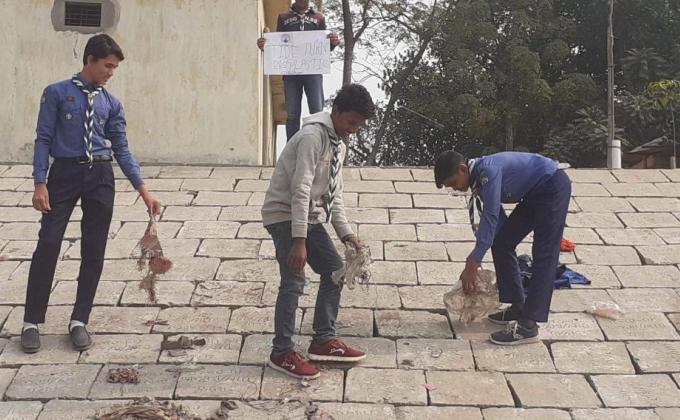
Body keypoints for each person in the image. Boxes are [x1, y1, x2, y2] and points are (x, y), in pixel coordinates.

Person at [22, 34, 161, 353]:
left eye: (114, 68)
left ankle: (79, 320)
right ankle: (31, 322)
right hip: (64, 174)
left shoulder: (111, 103)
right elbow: (43, 138)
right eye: (107, 66)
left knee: (94, 249)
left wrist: (144, 191)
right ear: (90, 60)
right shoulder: (56, 93)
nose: (111, 73)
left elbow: (121, 149)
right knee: (48, 243)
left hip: (100, 175)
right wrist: (40, 182)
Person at [261, 84, 375, 378]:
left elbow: (334, 196)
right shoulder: (312, 137)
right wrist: (298, 240)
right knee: (293, 280)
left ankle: (323, 340)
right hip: (284, 215)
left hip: (308, 217)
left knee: (335, 271)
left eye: (359, 126)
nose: (353, 130)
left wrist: (347, 234)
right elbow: (300, 190)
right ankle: (282, 352)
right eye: (350, 122)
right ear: (335, 111)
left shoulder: (339, 145)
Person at [434, 151, 571, 345]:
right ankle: (518, 305)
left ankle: (528, 325)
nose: (455, 189)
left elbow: (490, 216)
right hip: (534, 194)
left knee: (544, 255)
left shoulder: (488, 172)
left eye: (454, 183)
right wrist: (479, 255)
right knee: (502, 241)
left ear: (463, 169)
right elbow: (495, 223)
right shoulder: (479, 180)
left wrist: (473, 260)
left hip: (551, 187)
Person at [257, 0, 340, 140]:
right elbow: (279, 44)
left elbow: (324, 46)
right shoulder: (283, 17)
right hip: (291, 73)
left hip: (313, 72)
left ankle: (318, 143)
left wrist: (333, 42)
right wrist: (266, 45)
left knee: (317, 111)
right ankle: (292, 147)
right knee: (292, 114)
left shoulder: (319, 17)